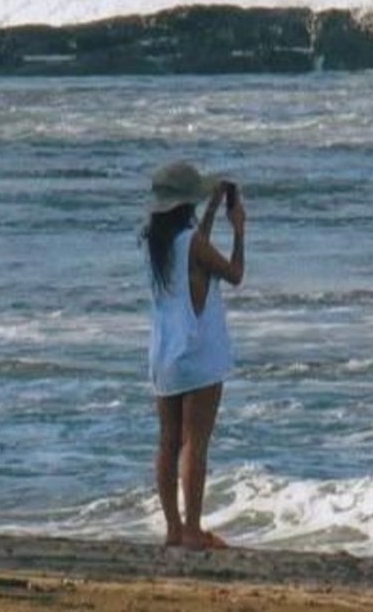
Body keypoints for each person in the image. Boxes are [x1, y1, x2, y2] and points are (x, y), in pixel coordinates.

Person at [141, 160, 247, 550]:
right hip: (199, 353)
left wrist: (213, 212)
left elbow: (193, 253)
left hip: (164, 353)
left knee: (167, 441)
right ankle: (192, 528)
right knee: (195, 443)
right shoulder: (193, 244)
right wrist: (239, 228)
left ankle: (173, 528)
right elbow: (234, 274)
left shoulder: (155, 241)